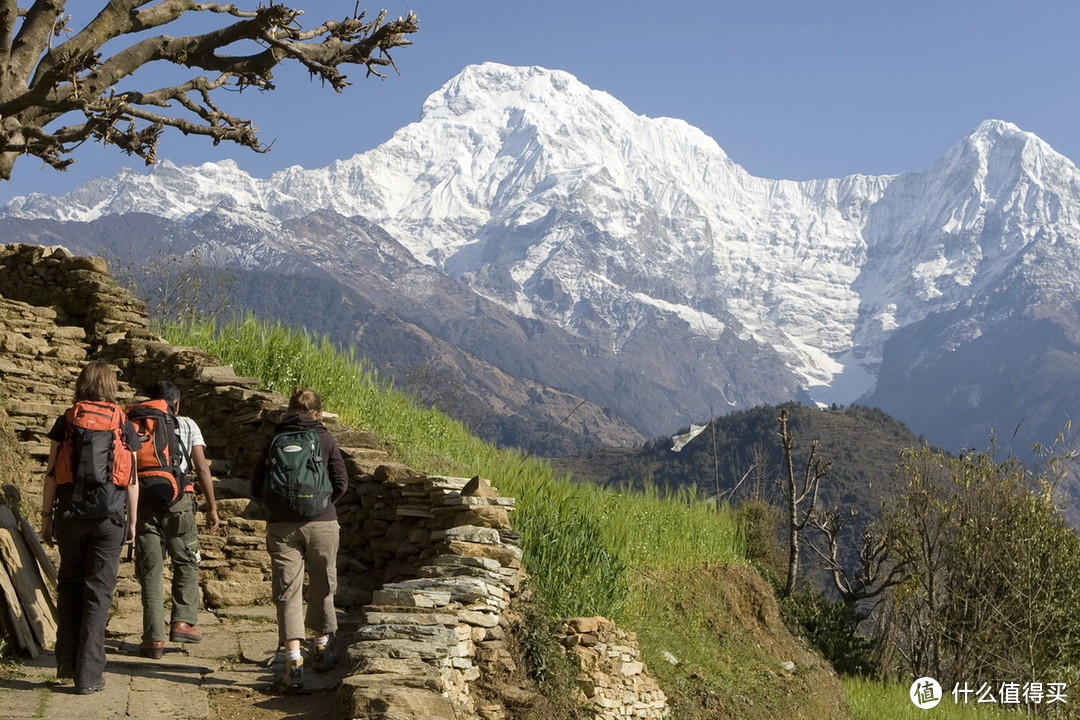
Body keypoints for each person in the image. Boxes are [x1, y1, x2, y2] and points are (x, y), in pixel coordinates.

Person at [40, 359, 141, 695]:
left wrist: (46, 517)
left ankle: (66, 662)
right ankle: (89, 675)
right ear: (110, 386)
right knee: (98, 593)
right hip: (109, 518)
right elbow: (132, 479)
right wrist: (133, 523)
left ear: (82, 385)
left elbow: (52, 473)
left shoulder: (67, 419)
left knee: (69, 585)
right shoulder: (123, 422)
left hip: (70, 514)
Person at [251, 387, 348, 690]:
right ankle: (321, 646)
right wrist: (323, 504)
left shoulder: (273, 441)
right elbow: (342, 482)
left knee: (287, 591)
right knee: (322, 584)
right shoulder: (325, 439)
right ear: (317, 412)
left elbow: (256, 488)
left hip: (282, 526)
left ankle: (293, 660)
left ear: (289, 409)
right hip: (322, 523)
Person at [133, 380, 220, 659]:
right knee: (186, 561)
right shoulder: (187, 424)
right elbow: (202, 467)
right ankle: (183, 622)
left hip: (144, 501)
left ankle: (153, 639)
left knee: (150, 570)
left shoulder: (137, 422)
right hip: (179, 500)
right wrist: (212, 506)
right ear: (176, 403)